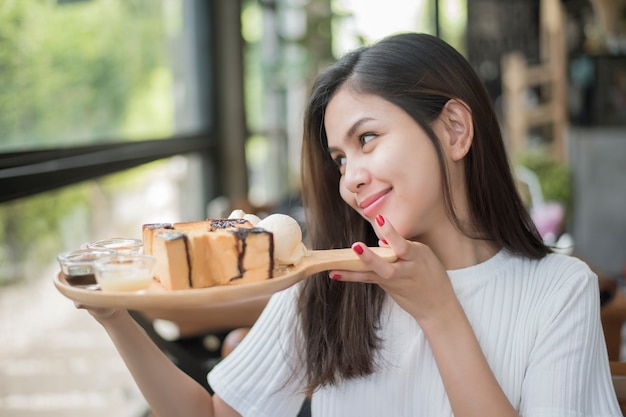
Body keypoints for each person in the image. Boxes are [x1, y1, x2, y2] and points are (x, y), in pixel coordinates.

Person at [77, 32, 621, 417]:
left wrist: (440, 313)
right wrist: (116, 318)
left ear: (455, 129)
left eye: (367, 140)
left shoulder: (558, 292)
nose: (350, 179)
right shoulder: (330, 282)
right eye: (339, 158)